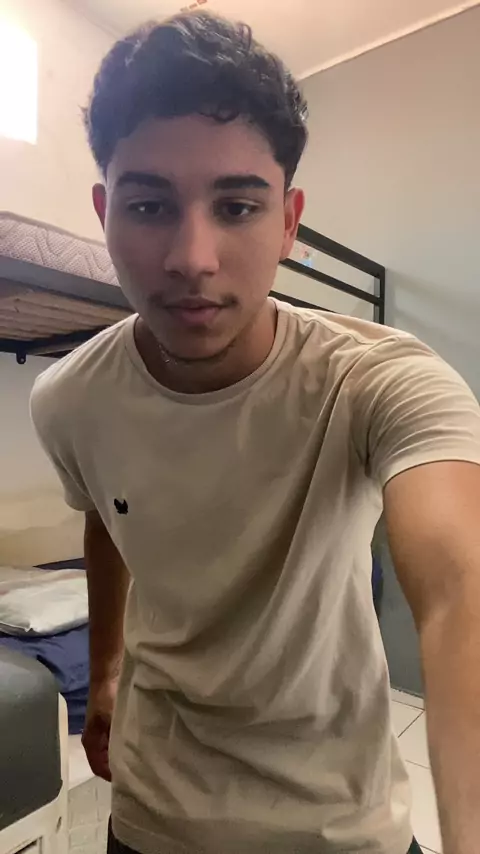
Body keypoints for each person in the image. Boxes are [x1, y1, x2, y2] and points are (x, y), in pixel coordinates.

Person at [31, 12, 480, 854]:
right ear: (104, 211)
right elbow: (105, 515)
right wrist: (106, 670)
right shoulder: (69, 399)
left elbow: (461, 592)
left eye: (236, 206)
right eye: (149, 205)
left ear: (289, 222)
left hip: (341, 828)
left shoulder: (379, 380)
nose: (192, 258)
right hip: (156, 818)